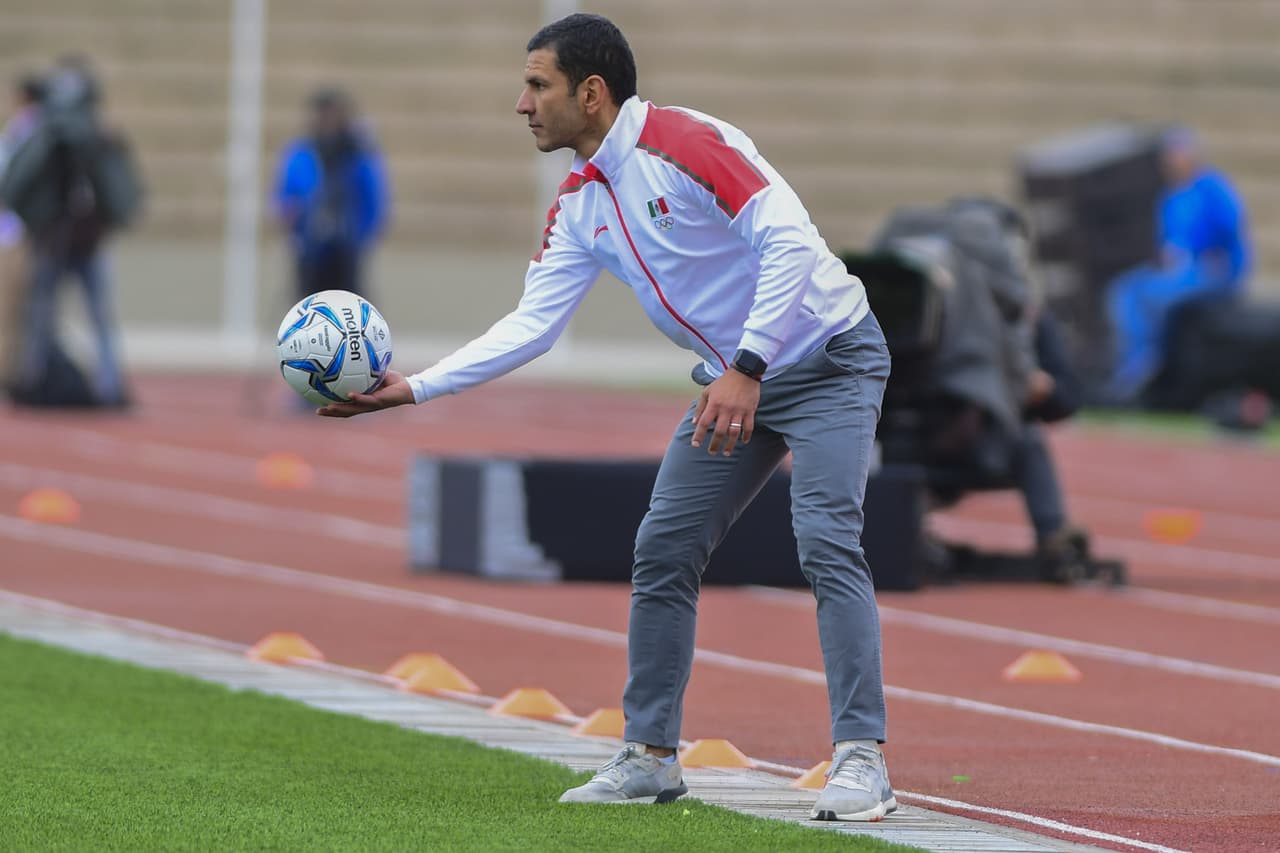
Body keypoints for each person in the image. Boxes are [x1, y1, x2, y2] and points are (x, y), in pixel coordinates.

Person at [318, 13, 896, 822]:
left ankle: (862, 758)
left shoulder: (686, 143)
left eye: (537, 85)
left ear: (591, 93)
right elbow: (532, 326)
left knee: (827, 540)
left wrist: (747, 365)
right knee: (663, 547)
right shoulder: (578, 203)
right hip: (735, 381)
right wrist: (415, 387)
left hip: (830, 357)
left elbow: (793, 245)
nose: (522, 103)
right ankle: (651, 757)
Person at [0, 56, 143, 407]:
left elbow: (119, 189)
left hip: (85, 241)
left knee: (85, 315)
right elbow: (18, 183)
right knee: (46, 314)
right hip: (56, 240)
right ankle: (39, 379)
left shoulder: (96, 139)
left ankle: (100, 383)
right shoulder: (48, 138)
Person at [1106, 127, 1251, 402]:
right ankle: (1132, 361)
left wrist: (1210, 253)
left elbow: (1231, 228)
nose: (1173, 160)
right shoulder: (1169, 197)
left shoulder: (1212, 188)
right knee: (1125, 289)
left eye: (1178, 153)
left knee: (1154, 296)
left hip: (1212, 271)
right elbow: (1170, 244)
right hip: (1178, 271)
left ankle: (1153, 360)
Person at [273, 87, 388, 299]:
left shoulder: (358, 155)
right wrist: (291, 218)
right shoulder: (302, 153)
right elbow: (285, 194)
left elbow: (372, 198)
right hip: (311, 246)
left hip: (347, 247)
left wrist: (363, 236)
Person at [0, 74, 44, 385]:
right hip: (25, 231)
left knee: (10, 307)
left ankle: (11, 373)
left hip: (15, 232)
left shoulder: (25, 132)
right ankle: (21, 372)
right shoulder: (33, 130)